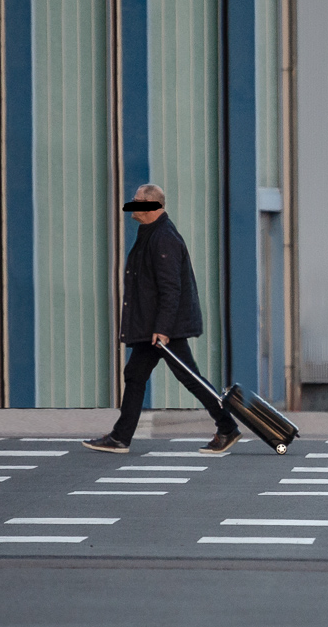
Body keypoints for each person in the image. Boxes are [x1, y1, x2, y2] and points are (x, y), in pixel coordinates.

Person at [83, 185, 241, 455]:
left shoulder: (163, 237)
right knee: (135, 375)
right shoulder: (150, 234)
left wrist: (163, 328)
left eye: (137, 201)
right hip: (152, 326)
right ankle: (120, 437)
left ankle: (227, 427)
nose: (131, 205)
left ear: (152, 206)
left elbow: (171, 288)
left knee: (189, 377)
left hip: (164, 327)